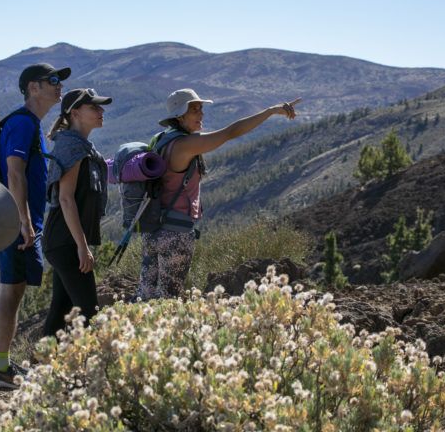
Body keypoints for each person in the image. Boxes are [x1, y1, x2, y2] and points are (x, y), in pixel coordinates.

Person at [136, 88, 300, 300]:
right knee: (167, 299)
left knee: (145, 296)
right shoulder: (185, 145)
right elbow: (230, 132)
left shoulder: (161, 140)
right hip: (175, 234)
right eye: (195, 109)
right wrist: (270, 111)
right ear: (179, 115)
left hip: (153, 233)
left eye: (201, 108)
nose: (201, 114)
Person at [0, 63, 69, 389]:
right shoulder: (22, 123)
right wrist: (23, 221)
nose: (58, 85)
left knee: (7, 290)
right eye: (52, 80)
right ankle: (0, 369)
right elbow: (15, 172)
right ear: (33, 88)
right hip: (15, 221)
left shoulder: (30, 124)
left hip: (13, 220)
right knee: (11, 291)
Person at [42, 88, 112, 337]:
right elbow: (65, 198)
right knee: (89, 311)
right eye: (94, 107)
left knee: (61, 310)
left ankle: (42, 368)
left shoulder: (82, 148)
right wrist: (82, 246)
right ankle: (87, 369)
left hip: (62, 239)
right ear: (75, 113)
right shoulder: (72, 148)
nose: (101, 111)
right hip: (65, 241)